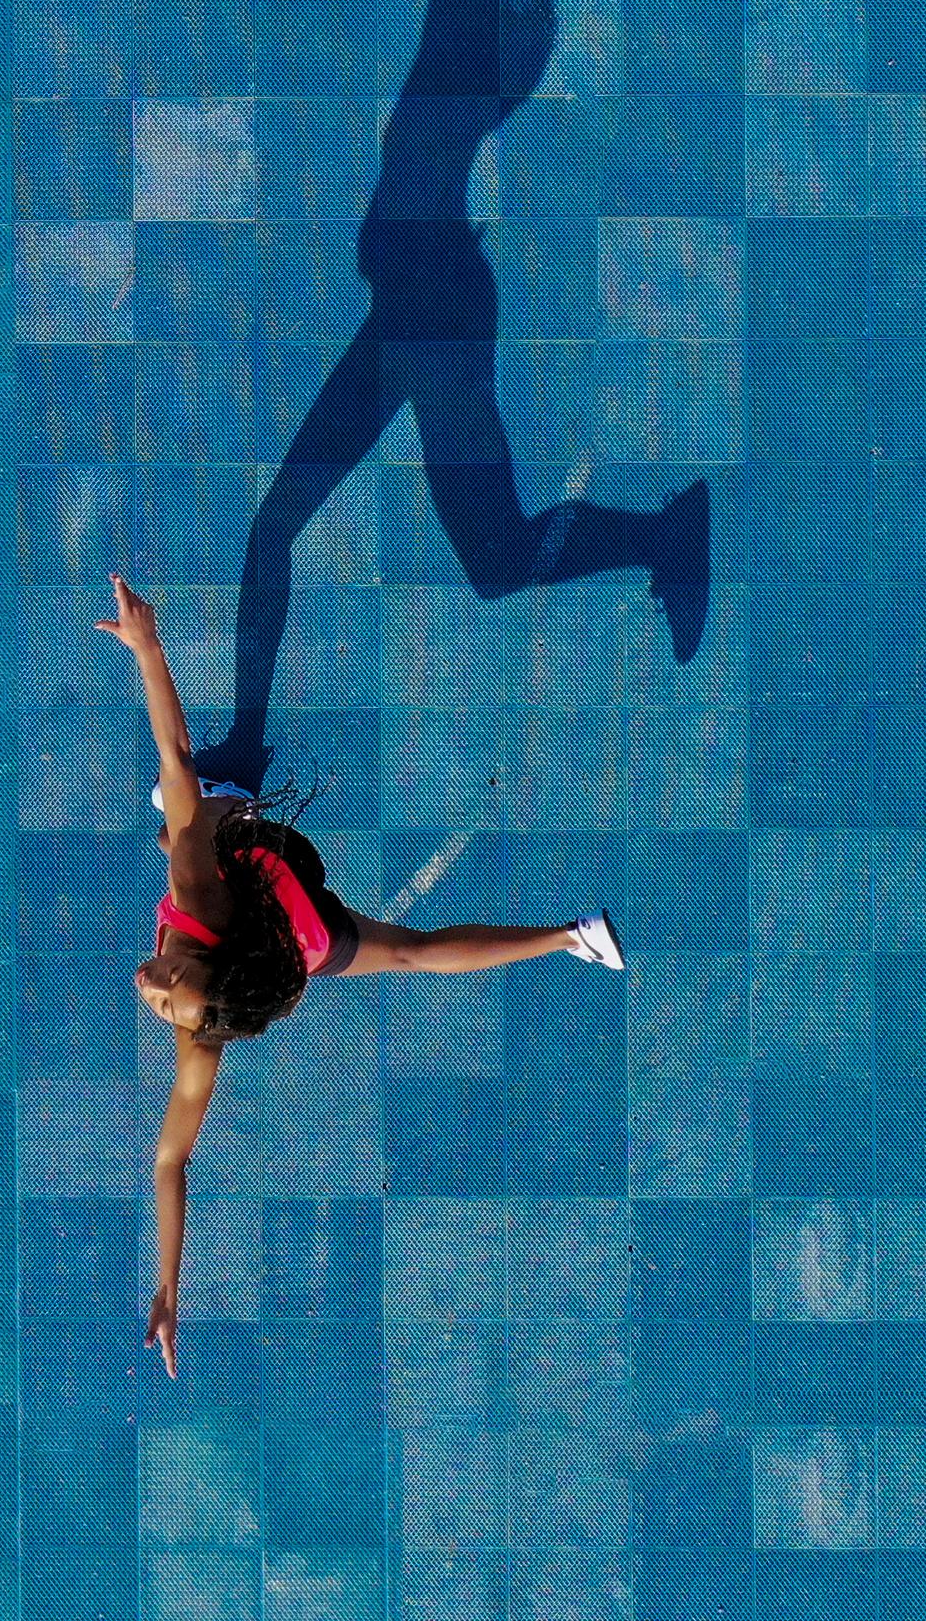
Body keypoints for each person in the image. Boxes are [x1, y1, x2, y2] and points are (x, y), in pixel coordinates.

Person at [195, 0, 710, 798]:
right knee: (359, 536)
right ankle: (247, 739)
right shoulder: (490, 38)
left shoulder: (476, 37)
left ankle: (662, 534)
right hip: (420, 308)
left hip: (432, 310)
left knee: (443, 545)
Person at [95, 572, 625, 1380]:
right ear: (210, 983)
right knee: (186, 821)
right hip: (290, 920)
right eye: (172, 988)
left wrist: (169, 1286)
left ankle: (572, 938)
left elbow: (172, 1160)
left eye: (165, 987)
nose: (152, 983)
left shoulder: (208, 980)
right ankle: (570, 936)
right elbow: (174, 756)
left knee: (392, 943)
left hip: (297, 925)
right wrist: (148, 648)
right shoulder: (207, 954)